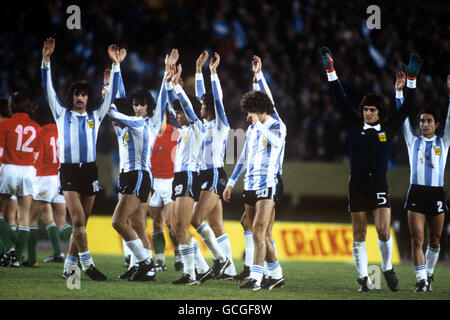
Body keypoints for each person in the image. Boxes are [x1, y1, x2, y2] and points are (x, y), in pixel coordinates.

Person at [318, 46, 422, 292]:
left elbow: (408, 108)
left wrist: (412, 81)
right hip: (357, 186)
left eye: (371, 110)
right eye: (365, 109)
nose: (367, 113)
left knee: (384, 231)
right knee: (359, 233)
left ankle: (386, 267)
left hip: (379, 186)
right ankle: (364, 279)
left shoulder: (388, 128)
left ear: (379, 113)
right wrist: (330, 69)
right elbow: (339, 97)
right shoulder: (355, 124)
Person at [41, 37, 124, 280]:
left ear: (88, 97)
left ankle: (69, 266)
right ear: (72, 97)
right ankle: (87, 265)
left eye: (83, 95)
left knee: (82, 225)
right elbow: (48, 90)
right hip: (68, 171)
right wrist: (46, 60)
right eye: (76, 94)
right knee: (77, 220)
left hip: (89, 171)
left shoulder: (95, 116)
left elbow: (110, 99)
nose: (80, 98)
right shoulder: (61, 114)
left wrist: (116, 65)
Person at [108, 48, 171, 280]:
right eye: (135, 104)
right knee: (136, 224)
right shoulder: (128, 124)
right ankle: (141, 267)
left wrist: (167, 73)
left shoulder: (147, 124)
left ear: (149, 107)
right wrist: (117, 66)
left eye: (142, 104)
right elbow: (120, 99)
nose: (137, 107)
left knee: (118, 222)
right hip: (128, 176)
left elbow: (161, 100)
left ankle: (146, 264)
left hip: (139, 176)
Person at [223, 74, 287, 290]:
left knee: (259, 232)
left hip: (268, 184)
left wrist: (259, 124)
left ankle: (256, 279)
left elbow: (276, 143)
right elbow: (243, 158)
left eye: (250, 112)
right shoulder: (250, 130)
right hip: (249, 186)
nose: (248, 117)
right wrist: (231, 182)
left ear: (259, 110)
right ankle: (276, 274)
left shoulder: (277, 126)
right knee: (259, 232)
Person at [395, 73, 450, 292]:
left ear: (436, 124)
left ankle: (428, 275)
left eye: (429, 121)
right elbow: (402, 118)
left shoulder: (444, 142)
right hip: (416, 193)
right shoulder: (412, 141)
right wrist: (398, 92)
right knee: (417, 239)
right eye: (422, 121)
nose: (424, 124)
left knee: (435, 240)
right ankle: (421, 281)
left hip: (436, 194)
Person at [166, 60, 212, 285]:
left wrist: (177, 86)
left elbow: (183, 104)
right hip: (178, 178)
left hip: (189, 177)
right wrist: (168, 78)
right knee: (175, 228)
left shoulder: (196, 126)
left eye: (180, 111)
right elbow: (172, 104)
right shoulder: (184, 129)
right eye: (175, 112)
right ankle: (199, 270)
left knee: (181, 228)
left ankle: (191, 274)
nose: (177, 114)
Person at [192, 50, 232, 279]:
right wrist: (198, 71)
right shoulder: (204, 124)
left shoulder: (220, 124)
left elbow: (216, 98)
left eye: (203, 104)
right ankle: (230, 271)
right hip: (204, 175)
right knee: (216, 226)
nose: (200, 105)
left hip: (215, 174)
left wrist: (213, 73)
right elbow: (203, 96)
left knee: (195, 219)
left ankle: (222, 260)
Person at [26, 106, 71, 267]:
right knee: (60, 220)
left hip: (45, 178)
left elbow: (36, 157)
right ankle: (78, 252)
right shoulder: (62, 131)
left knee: (31, 219)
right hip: (61, 178)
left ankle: (30, 260)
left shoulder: (41, 131)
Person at [0, 92, 40, 267]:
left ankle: (9, 248)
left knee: (2, 211)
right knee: (24, 215)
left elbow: (0, 152)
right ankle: (17, 259)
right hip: (29, 170)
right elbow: (37, 155)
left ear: (11, 106)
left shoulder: (5, 124)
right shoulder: (36, 127)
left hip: (9, 168)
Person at [149, 107, 180, 272]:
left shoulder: (175, 133)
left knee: (170, 223)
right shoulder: (149, 134)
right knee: (156, 223)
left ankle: (178, 253)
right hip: (154, 183)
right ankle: (160, 260)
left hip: (170, 182)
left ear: (166, 116)